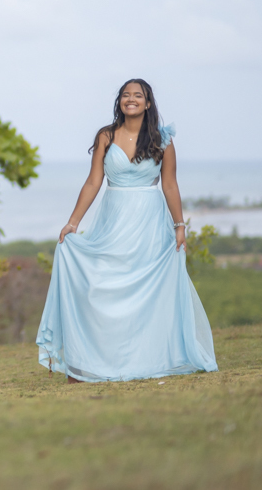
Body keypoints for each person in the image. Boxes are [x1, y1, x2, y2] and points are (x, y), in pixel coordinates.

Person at [36, 79, 218, 383]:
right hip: (113, 220)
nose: (130, 99)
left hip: (150, 223)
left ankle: (140, 360)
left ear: (148, 103)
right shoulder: (106, 136)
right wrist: (73, 222)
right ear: (119, 102)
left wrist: (180, 226)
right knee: (101, 287)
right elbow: (94, 182)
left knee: (144, 295)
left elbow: (170, 184)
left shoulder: (163, 139)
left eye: (138, 95)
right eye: (125, 95)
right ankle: (86, 364)